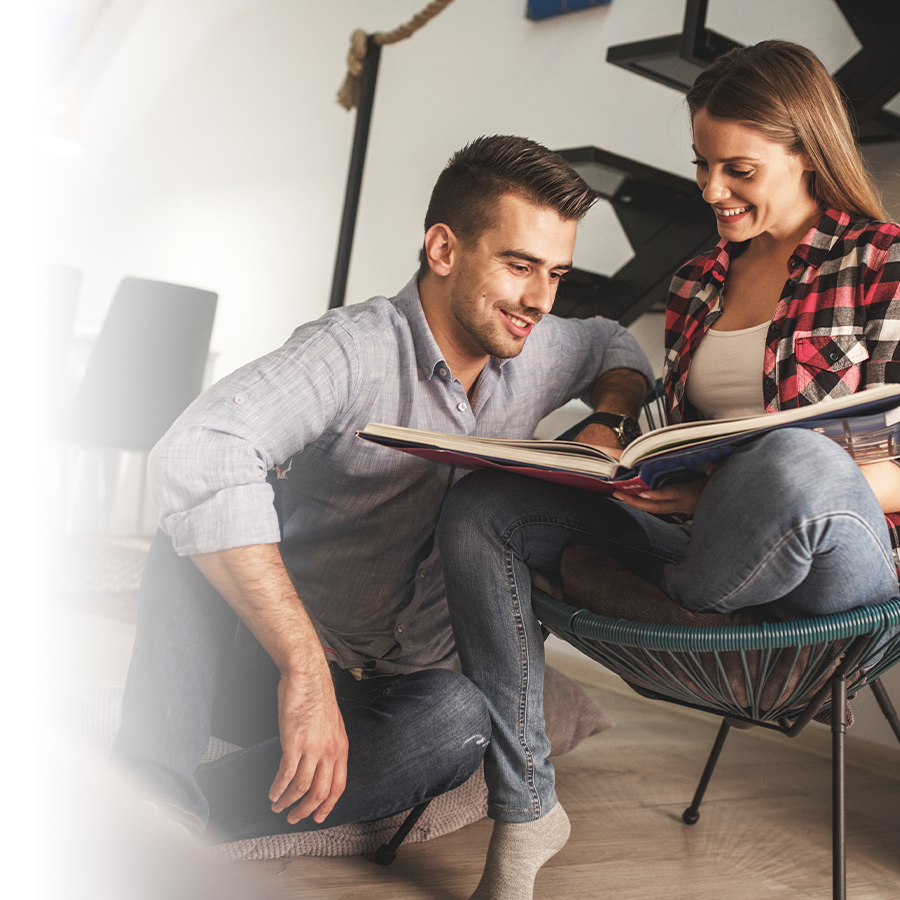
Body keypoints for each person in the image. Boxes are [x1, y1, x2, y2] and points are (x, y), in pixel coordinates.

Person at [110, 134, 656, 895]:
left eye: (556, 272)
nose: (541, 299)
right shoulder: (350, 349)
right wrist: (304, 670)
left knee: (459, 722)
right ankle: (153, 792)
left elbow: (613, 346)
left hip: (392, 695)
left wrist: (609, 422)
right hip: (267, 660)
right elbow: (195, 452)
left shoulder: (536, 348)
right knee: (186, 538)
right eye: (520, 265)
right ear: (442, 249)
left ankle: (183, 818)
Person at [438, 40, 900, 898]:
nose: (711, 190)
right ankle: (526, 806)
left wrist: (727, 486)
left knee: (795, 461)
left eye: (739, 168)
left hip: (837, 561)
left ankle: (659, 597)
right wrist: (608, 446)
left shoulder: (882, 261)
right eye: (702, 165)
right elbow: (672, 430)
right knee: (485, 506)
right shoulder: (696, 283)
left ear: (807, 151)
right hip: (695, 539)